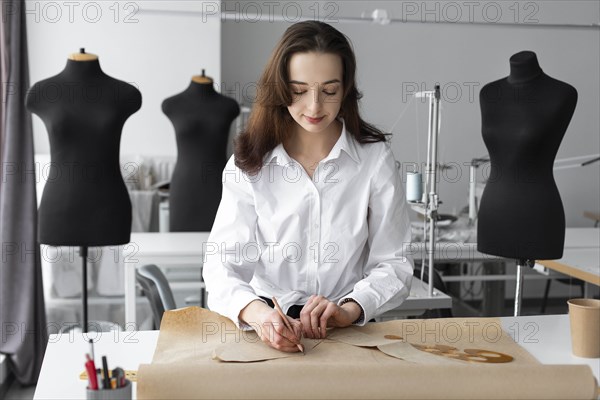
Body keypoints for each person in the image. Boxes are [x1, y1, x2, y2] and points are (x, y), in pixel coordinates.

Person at [202, 21, 413, 353]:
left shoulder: (373, 159)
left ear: (346, 91)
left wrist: (351, 308)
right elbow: (221, 265)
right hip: (269, 331)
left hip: (348, 332)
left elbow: (394, 262)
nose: (314, 107)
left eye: (329, 91)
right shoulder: (251, 163)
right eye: (299, 90)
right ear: (281, 88)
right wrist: (258, 314)